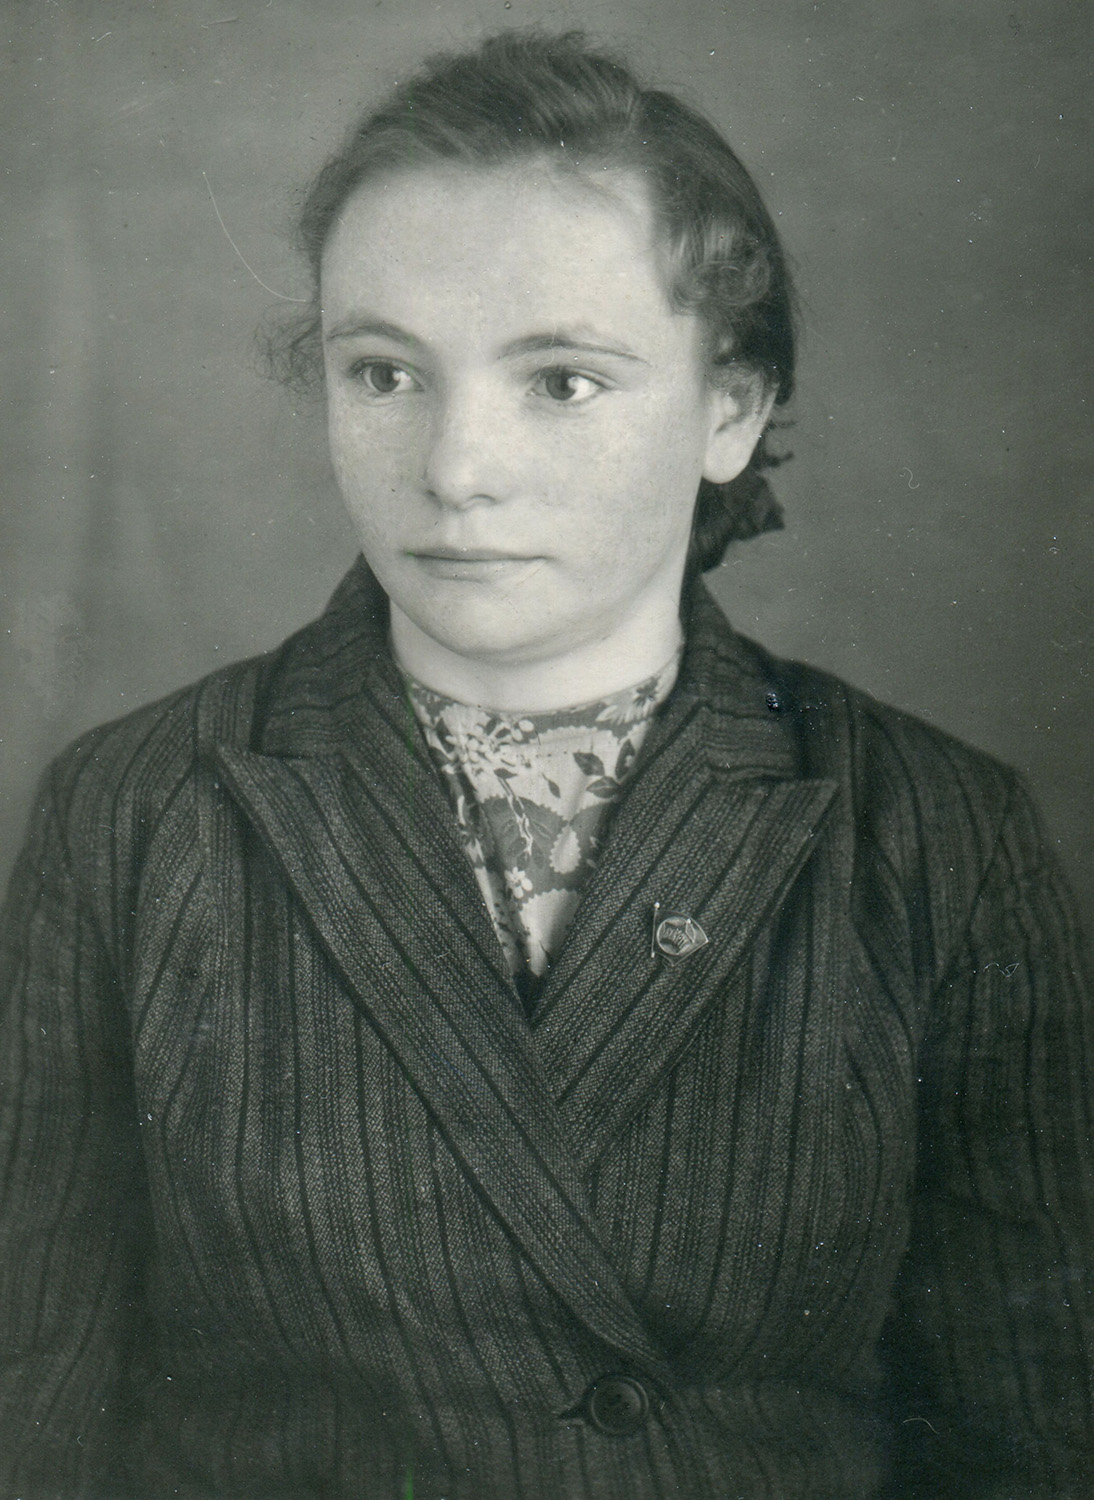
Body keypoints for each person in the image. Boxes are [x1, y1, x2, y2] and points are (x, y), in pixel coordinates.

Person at [0, 28, 1090, 1500]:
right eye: (385, 372)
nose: (455, 469)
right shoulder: (138, 812)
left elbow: (1032, 1438)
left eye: (562, 381)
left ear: (730, 407)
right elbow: (31, 1414)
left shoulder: (933, 834)